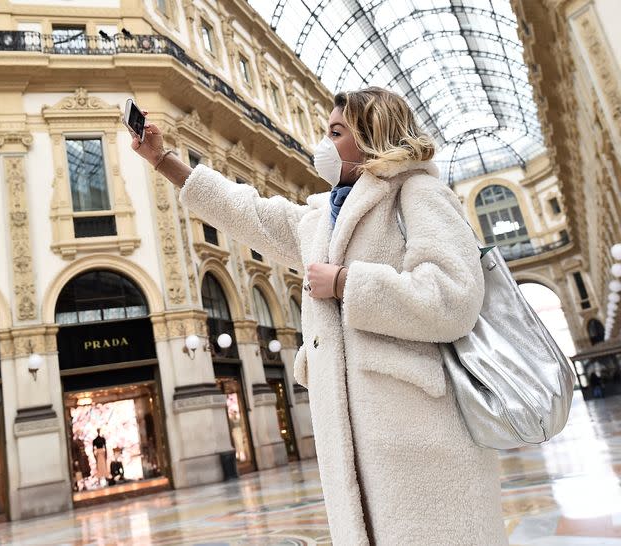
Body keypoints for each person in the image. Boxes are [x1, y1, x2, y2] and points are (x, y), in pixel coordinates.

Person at [128, 87, 507, 545]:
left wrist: (347, 283)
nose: (324, 145)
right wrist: (161, 159)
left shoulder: (419, 194)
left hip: (420, 440)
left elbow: (453, 299)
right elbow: (246, 211)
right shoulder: (322, 219)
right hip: (354, 445)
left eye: (336, 132)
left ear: (372, 135)